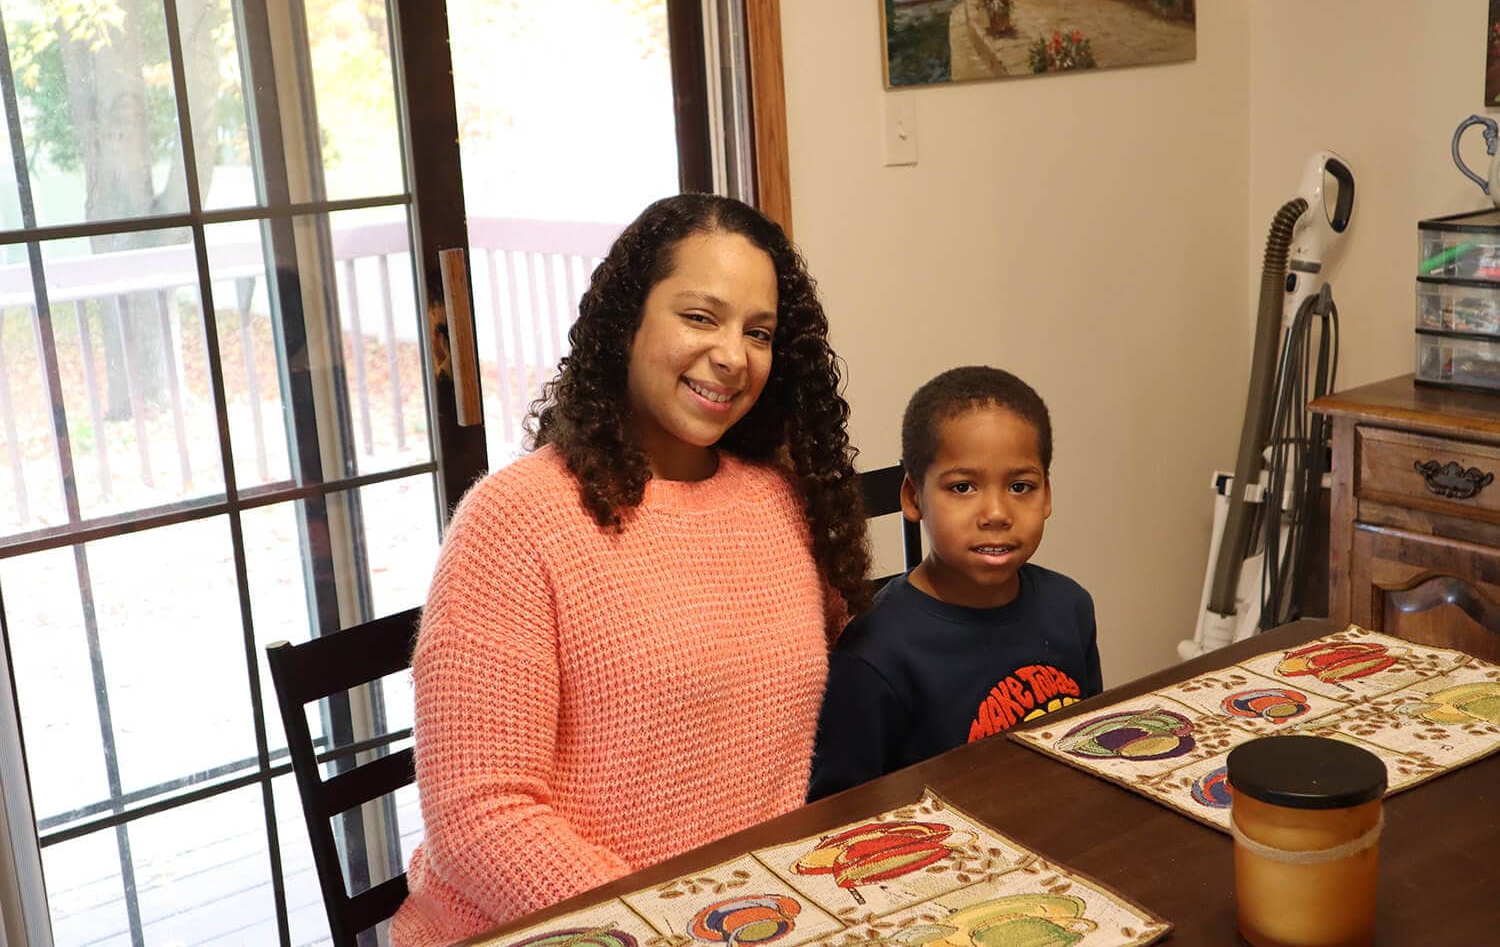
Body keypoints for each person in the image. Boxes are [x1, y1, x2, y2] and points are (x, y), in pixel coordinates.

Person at [391, 194, 871, 946]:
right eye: (700, 317)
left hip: (743, 920)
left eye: (760, 332)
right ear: (628, 323)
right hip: (551, 930)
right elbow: (478, 816)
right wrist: (666, 925)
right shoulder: (517, 519)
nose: (733, 355)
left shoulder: (779, 501)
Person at [807, 366, 1101, 801]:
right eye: (963, 487)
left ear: (1048, 495)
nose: (997, 512)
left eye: (1021, 486)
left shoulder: (1071, 607)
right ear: (913, 497)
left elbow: (1091, 746)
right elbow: (839, 814)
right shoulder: (873, 658)